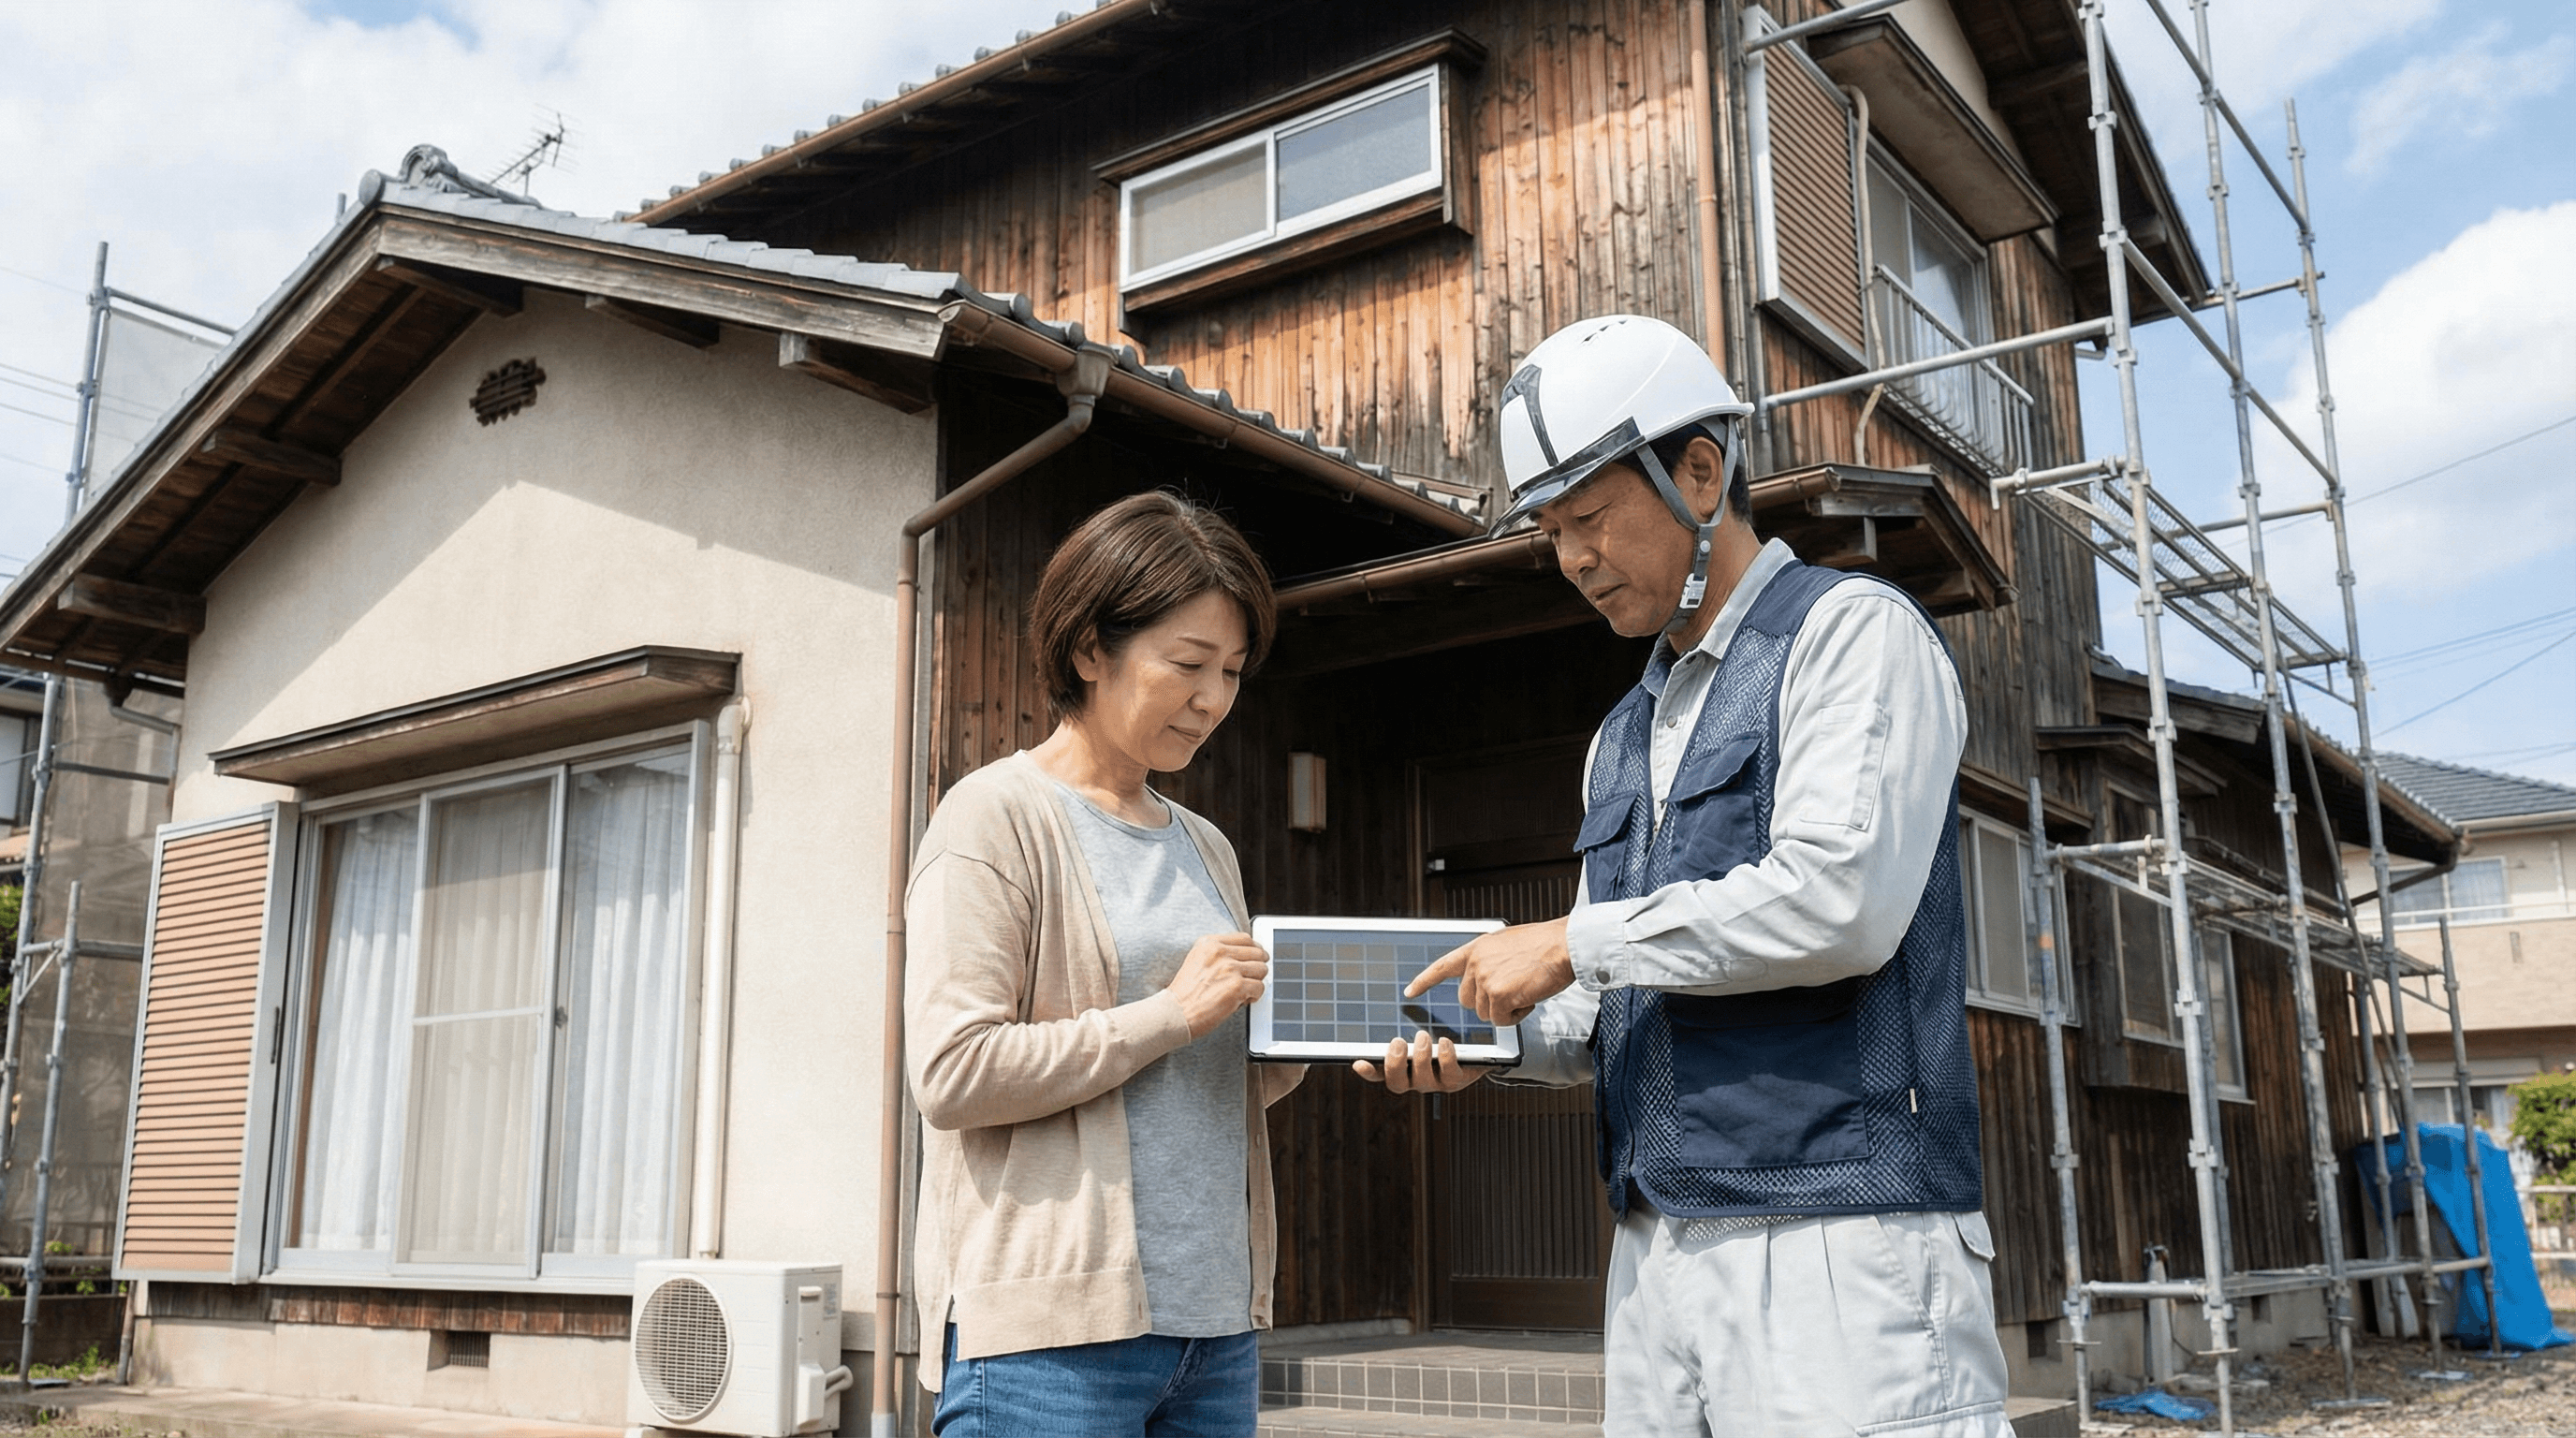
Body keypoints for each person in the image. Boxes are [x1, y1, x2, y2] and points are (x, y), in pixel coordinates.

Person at [1359, 315, 2014, 1437]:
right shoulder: (1620, 733)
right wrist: (1494, 1040)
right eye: (1549, 532)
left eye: (1590, 518)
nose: (1570, 559)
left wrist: (1565, 943)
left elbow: (1838, 903)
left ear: (1700, 472)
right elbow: (1615, 998)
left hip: (1838, 1241)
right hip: (1655, 1247)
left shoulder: (1849, 635)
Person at [906, 492, 1306, 1438]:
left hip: (1216, 1326)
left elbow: (1198, 1083)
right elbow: (953, 1074)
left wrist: (1308, 1045)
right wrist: (1171, 1014)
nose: (1213, 698)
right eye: (1188, 664)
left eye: (1234, 672)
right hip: (1048, 1340)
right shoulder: (992, 818)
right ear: (1092, 650)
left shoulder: (1206, 846)